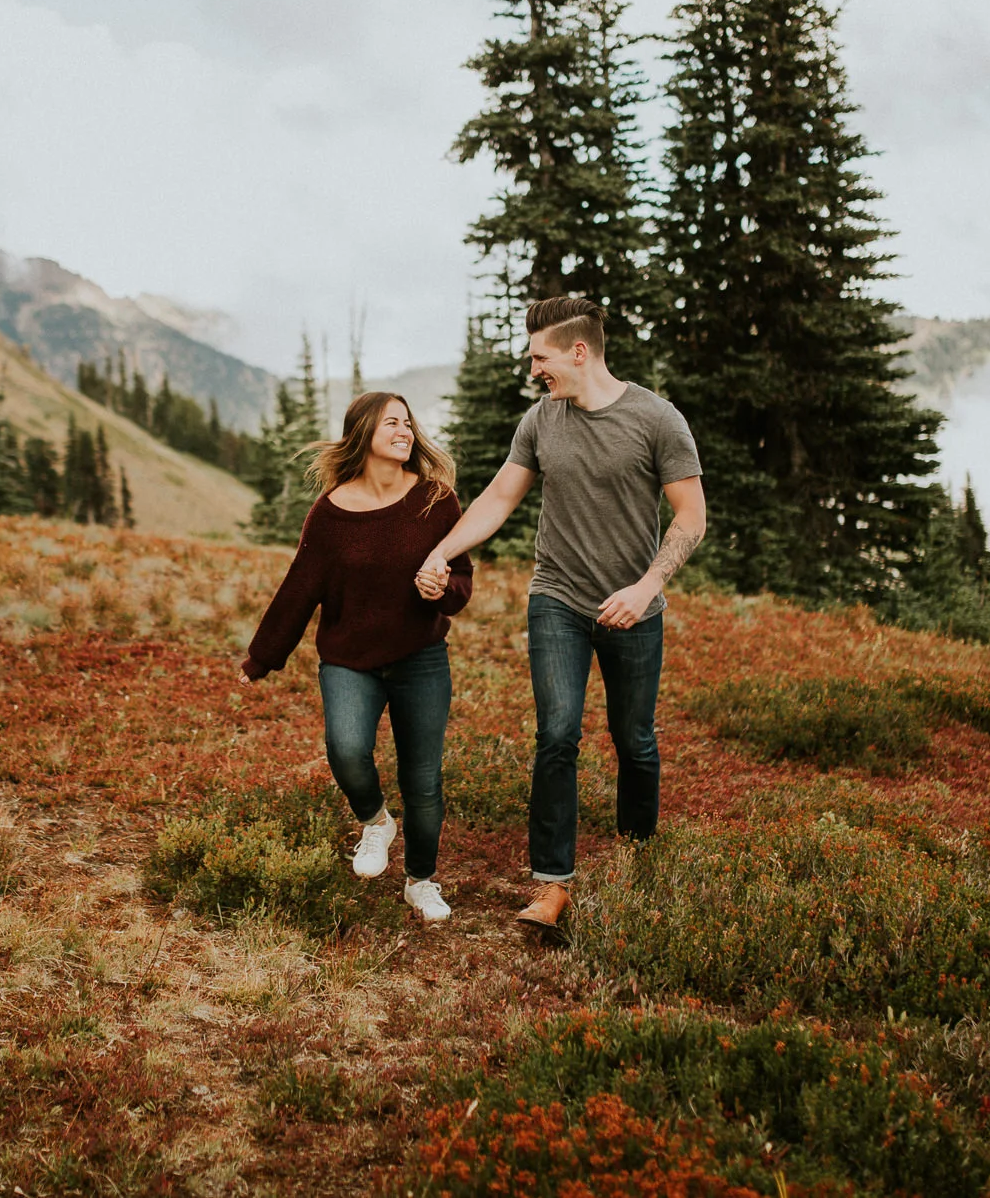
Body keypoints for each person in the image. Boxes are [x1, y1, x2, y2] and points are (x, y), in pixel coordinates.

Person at [420, 296, 705, 939]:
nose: (532, 369)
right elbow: (499, 497)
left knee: (634, 742)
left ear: (579, 351)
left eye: (540, 356)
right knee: (557, 734)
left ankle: (636, 861)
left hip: (636, 606)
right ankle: (551, 886)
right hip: (558, 598)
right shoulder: (541, 420)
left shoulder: (657, 420)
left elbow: (691, 517)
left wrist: (646, 585)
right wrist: (442, 550)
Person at [239, 391, 473, 923]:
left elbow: (463, 580)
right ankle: (376, 822)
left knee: (423, 778)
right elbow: (299, 588)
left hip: (421, 658)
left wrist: (443, 591)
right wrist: (263, 656)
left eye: (409, 423)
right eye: (393, 422)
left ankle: (421, 882)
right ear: (364, 432)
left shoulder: (437, 500)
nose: (405, 431)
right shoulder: (330, 513)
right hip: (348, 659)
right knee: (345, 749)